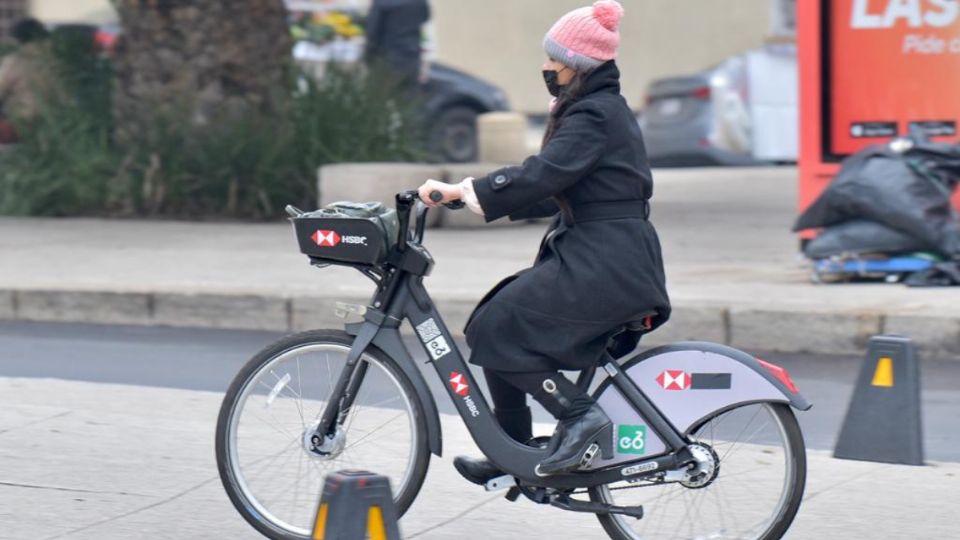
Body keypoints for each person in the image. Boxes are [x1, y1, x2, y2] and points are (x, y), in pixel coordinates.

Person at [418, 0, 671, 482]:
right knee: (493, 322)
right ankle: (511, 450)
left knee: (502, 324)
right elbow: (556, 189)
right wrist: (470, 200)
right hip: (601, 254)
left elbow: (543, 175)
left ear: (577, 64)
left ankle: (581, 418)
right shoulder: (592, 110)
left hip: (609, 263)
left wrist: (465, 189)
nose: (546, 68)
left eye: (553, 60)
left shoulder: (594, 115)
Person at [0, 18, 53, 138]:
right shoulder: (55, 62)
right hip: (52, 126)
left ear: (18, 39)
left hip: (19, 126)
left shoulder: (15, 62)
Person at [364, 0, 430, 89]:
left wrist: (368, 58)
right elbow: (426, 17)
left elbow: (372, 31)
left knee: (383, 95)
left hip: (386, 57)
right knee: (410, 95)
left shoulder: (382, 2)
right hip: (412, 56)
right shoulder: (419, 2)